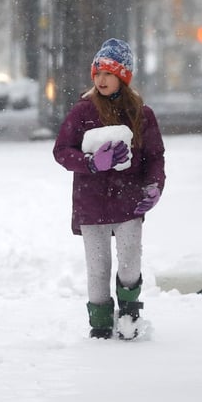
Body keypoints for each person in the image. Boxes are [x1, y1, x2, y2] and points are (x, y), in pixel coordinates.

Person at [53, 38, 166, 339]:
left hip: (129, 202)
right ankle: (100, 325)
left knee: (130, 264)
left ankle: (130, 316)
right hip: (91, 205)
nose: (101, 80)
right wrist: (90, 162)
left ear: (123, 77)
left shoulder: (142, 114)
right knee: (98, 270)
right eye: (98, 73)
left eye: (109, 73)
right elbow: (61, 151)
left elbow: (155, 155)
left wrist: (154, 187)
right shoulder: (82, 112)